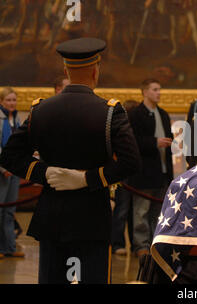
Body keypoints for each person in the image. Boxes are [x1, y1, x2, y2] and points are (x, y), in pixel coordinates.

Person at [0, 37, 141, 284]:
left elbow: (10, 156)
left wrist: (46, 173)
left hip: (52, 215)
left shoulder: (40, 110)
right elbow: (131, 162)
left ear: (65, 70)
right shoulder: (109, 112)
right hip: (92, 216)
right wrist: (87, 179)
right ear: (96, 70)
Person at [127, 79, 173, 257]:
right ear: (145, 92)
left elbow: (167, 140)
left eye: (159, 89)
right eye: (155, 89)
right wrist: (154, 143)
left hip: (162, 171)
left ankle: (156, 243)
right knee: (141, 211)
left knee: (158, 211)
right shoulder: (136, 114)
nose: (158, 93)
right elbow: (132, 141)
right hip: (144, 172)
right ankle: (141, 245)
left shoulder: (163, 114)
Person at [111, 99, 140, 256]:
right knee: (122, 210)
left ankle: (133, 244)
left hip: (134, 174)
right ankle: (117, 243)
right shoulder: (121, 128)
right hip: (123, 174)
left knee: (131, 211)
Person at [0, 87, 25, 259]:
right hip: (2, 171)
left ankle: (9, 246)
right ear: (1, 101)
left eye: (14, 100)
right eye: (8, 100)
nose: (11, 103)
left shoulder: (16, 118)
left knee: (9, 211)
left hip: (14, 170)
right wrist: (4, 167)